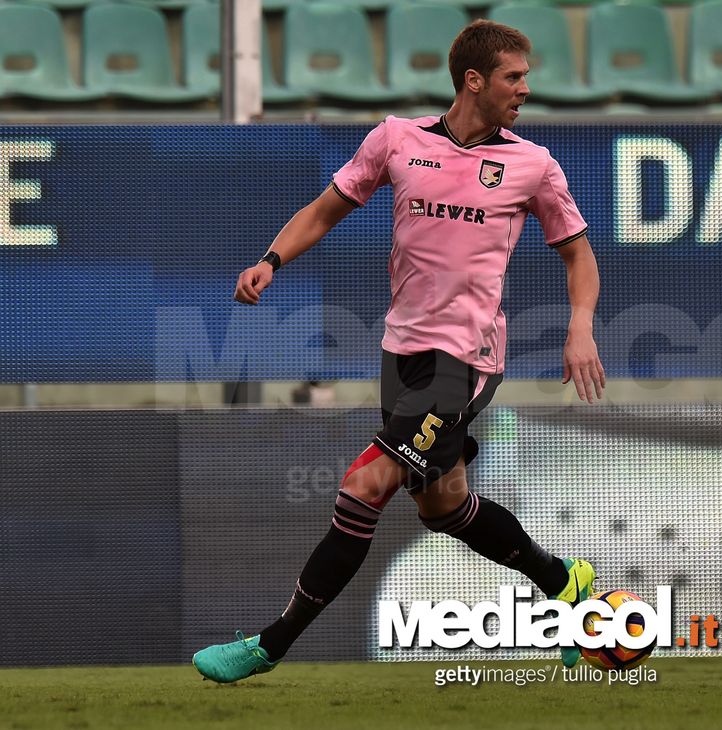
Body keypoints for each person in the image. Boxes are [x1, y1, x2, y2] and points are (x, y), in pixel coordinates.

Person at [193, 19, 605, 683]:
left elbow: (579, 255)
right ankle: (566, 584)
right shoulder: (397, 140)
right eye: (513, 77)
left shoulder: (533, 166)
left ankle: (270, 645)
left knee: (364, 488)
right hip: (402, 350)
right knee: (442, 507)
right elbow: (325, 209)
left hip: (467, 358)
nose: (525, 89)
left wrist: (580, 323)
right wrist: (272, 259)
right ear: (474, 81)